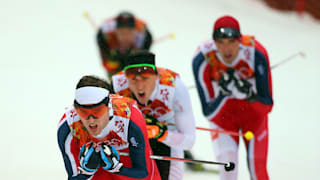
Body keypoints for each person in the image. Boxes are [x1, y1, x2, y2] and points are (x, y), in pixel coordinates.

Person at [192, 15, 273, 180]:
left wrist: (249, 95)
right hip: (223, 120)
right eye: (220, 43)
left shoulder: (256, 53)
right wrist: (225, 94)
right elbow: (208, 112)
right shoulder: (202, 59)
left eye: (232, 42)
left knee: (258, 171)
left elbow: (268, 105)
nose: (226, 49)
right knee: (228, 170)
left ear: (240, 40)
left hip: (254, 119)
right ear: (214, 42)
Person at [111, 51, 196, 180]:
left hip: (168, 142)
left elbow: (189, 140)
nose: (140, 86)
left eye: (145, 78)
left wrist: (161, 134)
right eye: (133, 79)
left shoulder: (174, 86)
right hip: (133, 142)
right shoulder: (117, 87)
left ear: (156, 77)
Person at [57, 75, 161, 180]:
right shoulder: (68, 126)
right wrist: (87, 172)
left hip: (126, 159)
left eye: (98, 111)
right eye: (83, 112)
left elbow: (144, 173)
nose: (91, 120)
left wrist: (117, 168)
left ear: (108, 107)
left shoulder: (129, 118)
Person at [96, 11, 153, 80]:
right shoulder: (105, 37)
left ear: (136, 32)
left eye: (129, 33)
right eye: (122, 33)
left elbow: (145, 67)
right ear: (115, 31)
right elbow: (106, 65)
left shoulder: (144, 37)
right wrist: (113, 59)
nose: (125, 37)